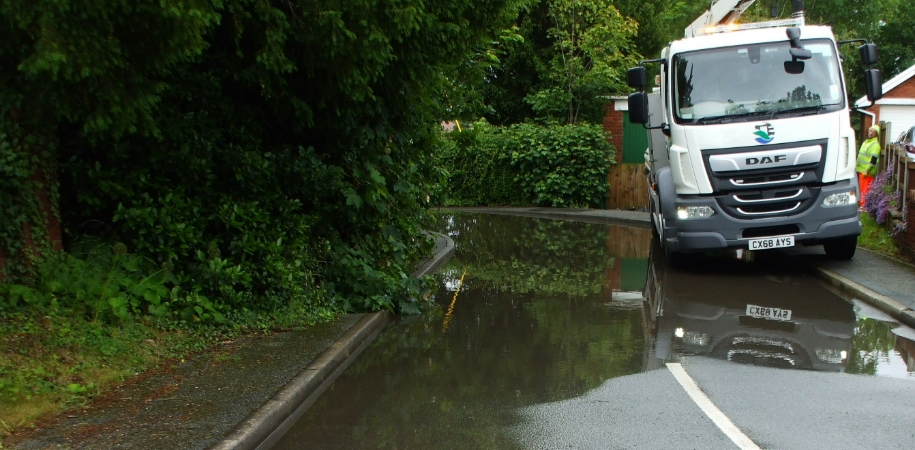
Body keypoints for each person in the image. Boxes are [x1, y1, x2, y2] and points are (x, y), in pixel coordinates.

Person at [855, 125, 881, 208]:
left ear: (876, 134)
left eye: (874, 132)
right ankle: (863, 206)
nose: (871, 133)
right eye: (870, 131)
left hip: (867, 172)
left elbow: (873, 160)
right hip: (861, 170)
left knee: (865, 190)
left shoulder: (875, 145)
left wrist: (866, 169)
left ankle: (864, 207)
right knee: (862, 189)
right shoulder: (866, 142)